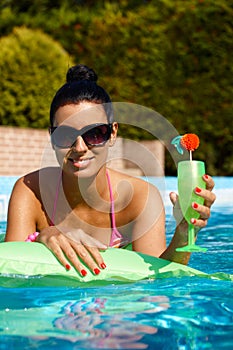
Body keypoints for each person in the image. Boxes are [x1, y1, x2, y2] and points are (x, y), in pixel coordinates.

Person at [5, 64, 216, 277]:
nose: (80, 148)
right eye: (65, 135)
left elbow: (158, 282)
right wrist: (42, 236)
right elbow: (9, 275)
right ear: (52, 137)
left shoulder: (141, 199)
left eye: (95, 133)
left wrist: (182, 235)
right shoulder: (31, 192)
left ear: (113, 133)